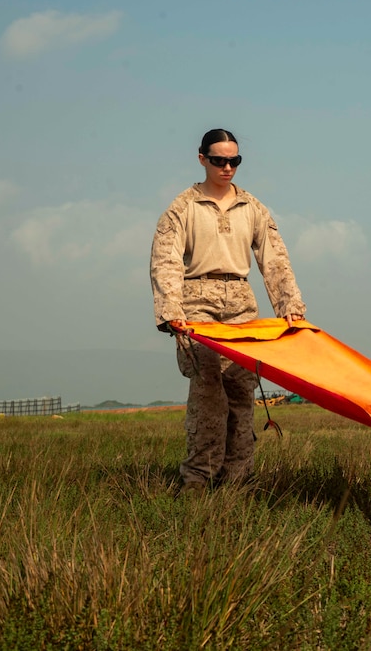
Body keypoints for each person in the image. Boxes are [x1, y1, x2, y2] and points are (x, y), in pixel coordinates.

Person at [150, 128, 306, 492]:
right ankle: (197, 482)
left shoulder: (253, 208)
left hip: (240, 305)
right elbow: (165, 260)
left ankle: (238, 482)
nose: (227, 167)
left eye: (234, 160)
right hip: (196, 306)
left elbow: (275, 260)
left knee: (240, 393)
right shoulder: (182, 208)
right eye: (219, 160)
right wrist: (171, 309)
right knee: (208, 396)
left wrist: (290, 307)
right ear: (202, 159)